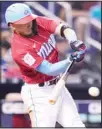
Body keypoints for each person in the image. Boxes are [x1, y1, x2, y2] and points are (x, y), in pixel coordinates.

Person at [5, 3, 86, 127]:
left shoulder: (37, 22)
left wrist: (73, 41)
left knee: (76, 125)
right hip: (39, 93)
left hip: (58, 86)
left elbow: (64, 28)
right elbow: (49, 69)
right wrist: (70, 59)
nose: (28, 24)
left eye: (28, 20)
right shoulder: (20, 50)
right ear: (12, 25)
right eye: (22, 23)